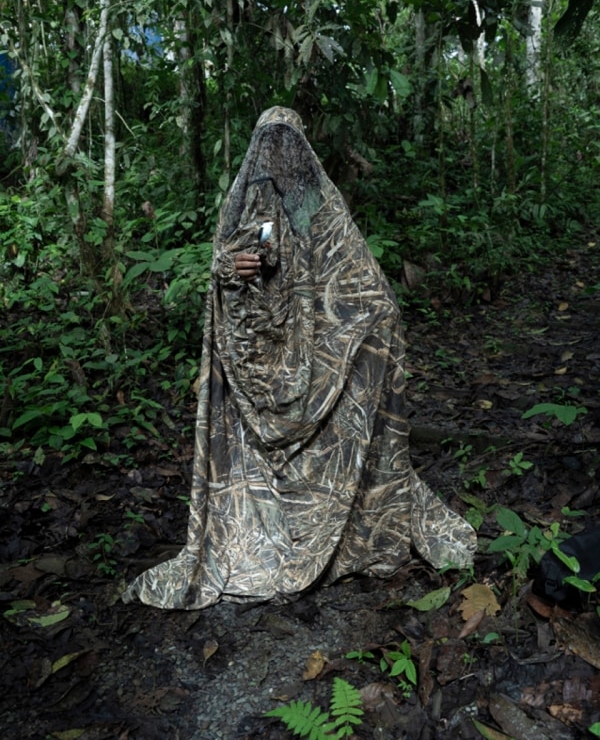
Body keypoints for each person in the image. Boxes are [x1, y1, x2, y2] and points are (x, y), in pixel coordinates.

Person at [122, 106, 476, 610]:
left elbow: (354, 276)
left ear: (301, 148)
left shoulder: (315, 202)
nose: (278, 153)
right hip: (257, 358)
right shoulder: (243, 202)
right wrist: (230, 268)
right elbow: (225, 285)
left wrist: (374, 322)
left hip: (316, 354)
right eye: (269, 142)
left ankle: (339, 521)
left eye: (287, 142)